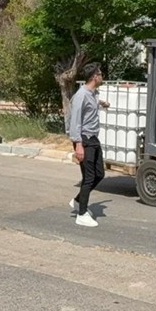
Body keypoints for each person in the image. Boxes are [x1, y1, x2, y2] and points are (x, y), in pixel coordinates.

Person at [67, 62, 110, 227]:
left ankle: (78, 201)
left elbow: (93, 103)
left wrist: (102, 103)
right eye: (100, 74)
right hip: (84, 139)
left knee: (99, 174)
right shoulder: (81, 95)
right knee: (89, 177)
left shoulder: (93, 93)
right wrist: (78, 145)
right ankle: (82, 214)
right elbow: (75, 121)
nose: (102, 76)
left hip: (93, 138)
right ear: (94, 77)